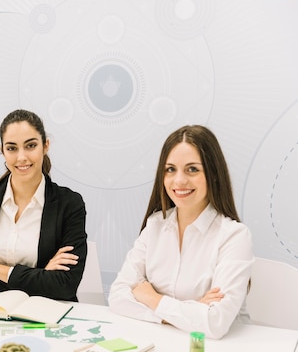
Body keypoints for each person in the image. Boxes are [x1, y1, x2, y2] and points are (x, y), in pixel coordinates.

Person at [108, 125, 253, 339]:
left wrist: (153, 299)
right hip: (163, 344)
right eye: (170, 169)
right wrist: (191, 310)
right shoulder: (155, 225)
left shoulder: (234, 236)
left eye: (192, 169)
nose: (179, 181)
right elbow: (118, 297)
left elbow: (215, 323)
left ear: (213, 174)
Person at [0, 109, 87, 301]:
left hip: (46, 315)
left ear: (45, 146)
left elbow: (64, 285)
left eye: (31, 146)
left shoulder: (69, 204)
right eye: (12, 148)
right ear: (2, 151)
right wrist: (42, 274)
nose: (21, 157)